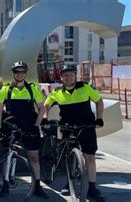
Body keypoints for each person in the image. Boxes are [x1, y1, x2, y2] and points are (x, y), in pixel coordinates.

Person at [44, 65, 105, 201]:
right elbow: (46, 104)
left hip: (86, 127)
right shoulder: (57, 92)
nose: (68, 77)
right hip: (67, 127)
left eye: (71, 74)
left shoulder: (85, 87)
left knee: (90, 157)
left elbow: (99, 101)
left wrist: (99, 118)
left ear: (75, 75)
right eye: (65, 75)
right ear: (61, 77)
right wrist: (45, 118)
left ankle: (92, 188)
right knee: (69, 157)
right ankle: (68, 183)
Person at [0, 61, 48, 199]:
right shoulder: (6, 89)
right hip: (11, 125)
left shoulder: (32, 89)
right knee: (8, 156)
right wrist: (0, 127)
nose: (19, 74)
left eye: (22, 72)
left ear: (25, 73)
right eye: (17, 72)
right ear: (13, 73)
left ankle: (37, 186)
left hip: (30, 125)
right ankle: (5, 184)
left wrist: (36, 125)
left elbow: (41, 108)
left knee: (34, 157)